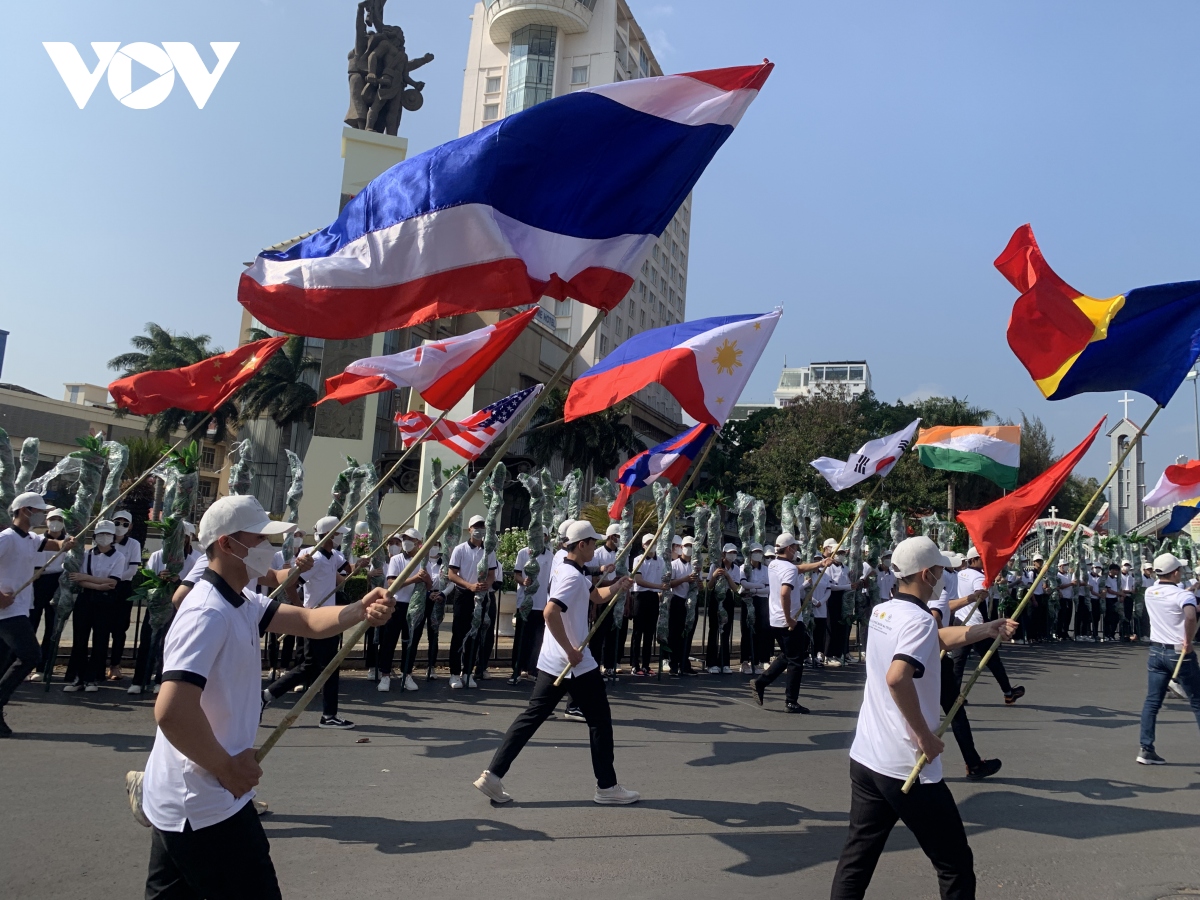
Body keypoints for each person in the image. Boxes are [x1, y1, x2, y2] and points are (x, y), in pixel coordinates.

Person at [139, 494, 394, 898]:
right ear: (226, 544)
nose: (268, 549)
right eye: (258, 539)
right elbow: (171, 710)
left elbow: (310, 621)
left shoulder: (241, 600)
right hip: (205, 800)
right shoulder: (206, 612)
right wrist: (226, 768)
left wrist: (359, 610)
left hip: (192, 799)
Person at [829, 536, 1017, 900]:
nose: (945, 576)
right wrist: (924, 736)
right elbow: (897, 678)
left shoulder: (884, 611)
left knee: (857, 860)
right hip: (906, 766)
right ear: (927, 574)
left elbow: (938, 639)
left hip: (868, 758)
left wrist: (987, 628)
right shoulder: (917, 620)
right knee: (955, 866)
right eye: (942, 571)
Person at [473, 520, 638, 805]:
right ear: (582, 544)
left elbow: (594, 595)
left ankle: (493, 775)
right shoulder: (571, 575)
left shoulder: (567, 566)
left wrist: (618, 586)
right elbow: (550, 613)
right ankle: (607, 788)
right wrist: (571, 650)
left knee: (531, 718)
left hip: (553, 661)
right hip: (574, 661)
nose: (596, 548)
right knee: (600, 720)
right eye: (593, 543)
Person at [262, 516, 359, 728]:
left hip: (329, 617)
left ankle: (266, 696)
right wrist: (299, 608)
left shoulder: (332, 555)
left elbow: (345, 572)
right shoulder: (313, 559)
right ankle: (329, 715)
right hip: (316, 618)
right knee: (327, 666)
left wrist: (358, 566)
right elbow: (291, 584)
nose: (341, 537)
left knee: (312, 666)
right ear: (329, 536)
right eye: (338, 534)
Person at [0, 492, 74, 735]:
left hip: (20, 607)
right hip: (6, 612)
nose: (43, 515)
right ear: (25, 511)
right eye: (39, 511)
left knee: (4, 662)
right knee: (30, 655)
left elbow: (52, 545)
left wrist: (66, 544)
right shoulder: (7, 538)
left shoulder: (30, 539)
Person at [751, 533, 829, 713]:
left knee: (789, 655)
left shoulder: (774, 564)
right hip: (789, 619)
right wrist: (790, 619)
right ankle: (791, 701)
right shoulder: (788, 569)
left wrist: (820, 564)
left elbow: (798, 569)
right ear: (788, 548)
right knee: (796, 660)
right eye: (794, 547)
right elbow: (785, 593)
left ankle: (761, 682)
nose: (796, 550)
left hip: (776, 619)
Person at [1136, 553, 1200, 765]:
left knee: (1152, 702)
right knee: (1198, 701)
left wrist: (1191, 592)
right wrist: (1188, 641)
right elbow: (1190, 615)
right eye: (1179, 570)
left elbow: (1175, 603)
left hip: (1156, 651)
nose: (1181, 572)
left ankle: (1146, 748)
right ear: (1174, 573)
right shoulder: (1182, 596)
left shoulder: (1150, 592)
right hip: (1179, 652)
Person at [129, 522, 203, 696]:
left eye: (182, 537)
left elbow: (195, 586)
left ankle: (160, 679)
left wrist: (177, 580)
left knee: (167, 643)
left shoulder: (195, 560)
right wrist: (159, 580)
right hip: (157, 604)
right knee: (147, 641)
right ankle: (139, 680)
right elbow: (148, 579)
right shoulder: (157, 556)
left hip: (177, 607)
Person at [953, 546, 1024, 706]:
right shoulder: (978, 577)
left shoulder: (961, 574)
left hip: (961, 621)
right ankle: (1008, 693)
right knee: (993, 660)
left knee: (958, 661)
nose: (984, 562)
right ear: (973, 560)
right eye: (981, 559)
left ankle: (954, 695)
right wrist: (988, 622)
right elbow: (980, 600)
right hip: (977, 624)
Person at [64, 520, 125, 693]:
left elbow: (113, 581)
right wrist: (98, 585)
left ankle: (93, 679)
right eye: (100, 534)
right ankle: (78, 678)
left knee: (100, 639)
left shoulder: (118, 557)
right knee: (80, 640)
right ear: (95, 536)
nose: (104, 538)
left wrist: (88, 579)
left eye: (107, 534)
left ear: (113, 537)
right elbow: (79, 580)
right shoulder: (87, 554)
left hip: (105, 602)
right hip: (86, 599)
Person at [377, 529, 430, 693]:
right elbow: (392, 582)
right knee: (389, 640)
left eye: (410, 539)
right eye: (404, 539)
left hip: (415, 606)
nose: (406, 541)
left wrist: (427, 580)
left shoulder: (423, 561)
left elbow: (429, 586)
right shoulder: (397, 559)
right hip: (397, 604)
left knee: (411, 642)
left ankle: (406, 673)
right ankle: (385, 675)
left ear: (418, 542)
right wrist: (414, 579)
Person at [445, 515, 495, 689]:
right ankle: (454, 673)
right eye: (476, 526)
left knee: (475, 634)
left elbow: (491, 574)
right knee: (459, 634)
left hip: (480, 597)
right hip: (463, 596)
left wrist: (485, 586)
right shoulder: (460, 549)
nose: (479, 529)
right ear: (469, 530)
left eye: (482, 526)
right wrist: (470, 586)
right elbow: (452, 574)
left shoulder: (489, 550)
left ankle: (468, 672)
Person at [28, 507, 69, 678]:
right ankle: (26, 665)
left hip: (57, 583)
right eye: (52, 519)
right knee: (31, 625)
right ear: (46, 521)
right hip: (37, 582)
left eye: (59, 519)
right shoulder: (37, 540)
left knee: (52, 628)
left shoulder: (69, 541)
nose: (55, 522)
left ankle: (44, 668)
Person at [511, 538, 554, 684]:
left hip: (541, 603)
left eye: (543, 536)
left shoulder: (550, 556)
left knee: (537, 639)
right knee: (522, 637)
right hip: (525, 602)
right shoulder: (524, 553)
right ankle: (516, 669)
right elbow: (517, 574)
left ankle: (532, 669)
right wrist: (523, 581)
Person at [107, 509, 143, 681]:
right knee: (102, 628)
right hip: (103, 588)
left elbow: (132, 570)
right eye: (117, 523)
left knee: (119, 629)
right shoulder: (104, 540)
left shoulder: (133, 544)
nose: (120, 527)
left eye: (124, 524)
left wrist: (113, 578)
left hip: (122, 588)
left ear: (130, 527)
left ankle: (115, 665)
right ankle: (99, 665)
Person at [402, 538, 445, 682]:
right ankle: (408, 669)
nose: (433, 547)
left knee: (434, 634)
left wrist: (441, 594)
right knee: (416, 632)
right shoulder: (421, 562)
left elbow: (449, 581)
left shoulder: (444, 563)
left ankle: (431, 666)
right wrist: (427, 593)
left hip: (438, 599)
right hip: (422, 598)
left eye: (436, 545)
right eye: (431, 545)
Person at [629, 534, 664, 677]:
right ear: (644, 545)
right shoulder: (638, 559)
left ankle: (646, 665)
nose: (652, 545)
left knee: (650, 633)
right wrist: (657, 586)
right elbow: (638, 580)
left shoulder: (660, 561)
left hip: (653, 597)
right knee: (638, 632)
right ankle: (634, 664)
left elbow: (663, 578)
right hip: (640, 596)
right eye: (649, 543)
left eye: (654, 542)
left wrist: (661, 589)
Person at [665, 535, 699, 676]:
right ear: (681, 548)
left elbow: (699, 585)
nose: (689, 549)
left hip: (691, 602)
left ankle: (685, 663)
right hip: (678, 600)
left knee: (689, 633)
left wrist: (699, 585)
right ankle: (673, 663)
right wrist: (685, 579)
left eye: (691, 546)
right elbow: (669, 584)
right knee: (675, 633)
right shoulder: (674, 565)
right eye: (687, 546)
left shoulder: (696, 565)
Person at [707, 543, 742, 674]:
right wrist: (715, 575)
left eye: (734, 553)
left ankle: (724, 662)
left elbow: (735, 588)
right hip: (716, 596)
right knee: (714, 630)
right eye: (729, 553)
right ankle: (711, 663)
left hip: (727, 597)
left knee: (726, 630)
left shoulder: (736, 568)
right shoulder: (714, 566)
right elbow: (709, 586)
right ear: (723, 554)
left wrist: (727, 576)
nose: (732, 555)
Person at [740, 543, 771, 674]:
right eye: (755, 552)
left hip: (761, 601)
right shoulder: (744, 567)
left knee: (761, 630)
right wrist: (758, 587)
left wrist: (753, 589)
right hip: (748, 601)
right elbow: (743, 584)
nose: (757, 554)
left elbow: (769, 588)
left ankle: (757, 661)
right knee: (747, 630)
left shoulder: (765, 569)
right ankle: (744, 661)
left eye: (760, 552)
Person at [822, 539, 853, 666]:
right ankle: (828, 654)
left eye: (843, 553)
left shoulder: (846, 568)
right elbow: (831, 586)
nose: (841, 555)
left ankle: (838, 653)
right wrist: (848, 587)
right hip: (832, 597)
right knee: (831, 625)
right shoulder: (829, 568)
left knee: (841, 625)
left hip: (843, 598)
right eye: (838, 553)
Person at [1055, 560, 1076, 642]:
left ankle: (1065, 633)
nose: (1065, 566)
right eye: (1064, 565)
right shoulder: (1058, 575)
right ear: (1060, 566)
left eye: (1066, 565)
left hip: (1069, 598)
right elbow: (1058, 586)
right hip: (1062, 598)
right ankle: (1059, 633)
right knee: (1061, 617)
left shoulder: (1068, 575)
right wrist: (1070, 584)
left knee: (1068, 617)